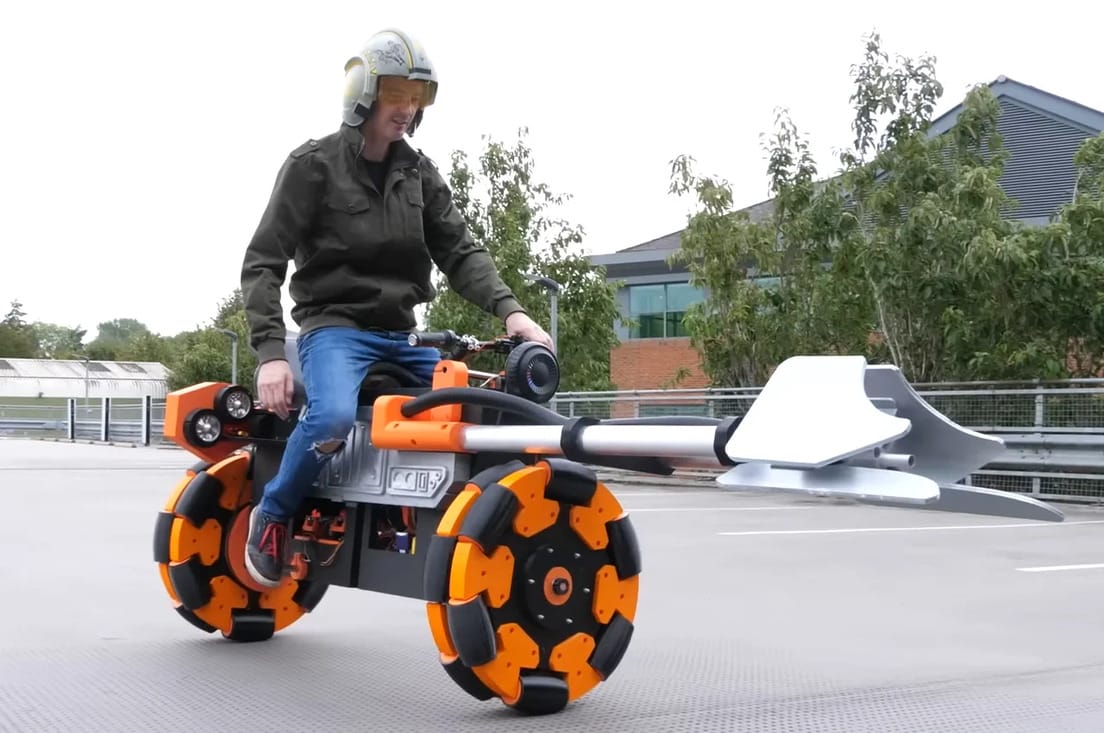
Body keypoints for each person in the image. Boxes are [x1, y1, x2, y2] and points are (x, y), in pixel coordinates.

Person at [238, 28, 553, 588]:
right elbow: (263, 263)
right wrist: (269, 354)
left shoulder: (418, 174)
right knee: (333, 416)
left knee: (489, 403)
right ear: (364, 92)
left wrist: (513, 313)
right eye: (397, 93)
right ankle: (275, 512)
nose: (406, 109)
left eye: (417, 98)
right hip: (335, 329)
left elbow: (460, 250)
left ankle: (494, 523)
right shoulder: (311, 166)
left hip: (404, 336)